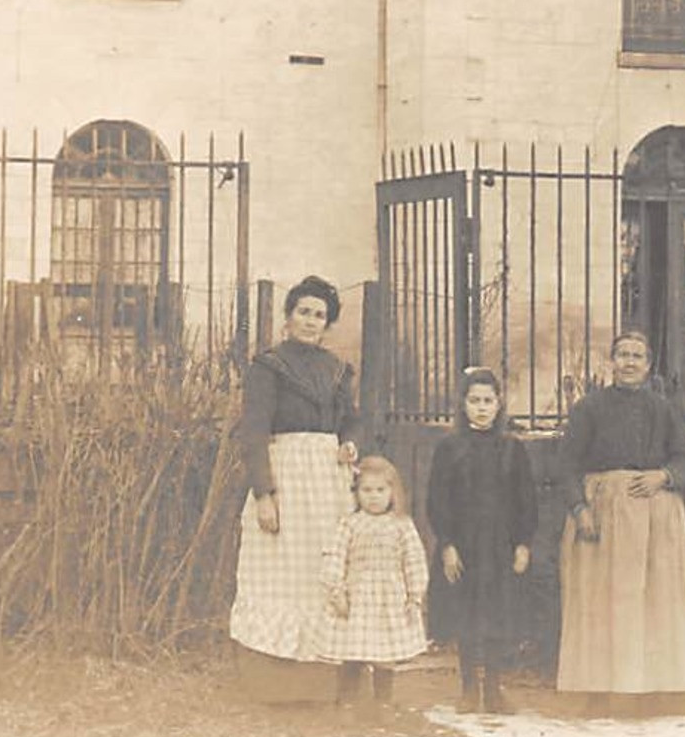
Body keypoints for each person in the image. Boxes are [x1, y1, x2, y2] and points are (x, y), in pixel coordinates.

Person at [557, 331, 685, 709]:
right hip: (602, 517)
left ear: (649, 365)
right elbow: (568, 465)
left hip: (654, 521)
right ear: (612, 361)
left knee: (650, 602)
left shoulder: (663, 410)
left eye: (638, 356)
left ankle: (649, 691)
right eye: (623, 355)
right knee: (598, 603)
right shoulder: (589, 409)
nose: (630, 362)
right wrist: (579, 509)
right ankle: (597, 692)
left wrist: (663, 477)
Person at [229, 275, 360, 686]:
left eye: (319, 315)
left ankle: (323, 676)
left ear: (327, 324)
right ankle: (275, 679)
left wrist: (350, 444)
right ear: (288, 317)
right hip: (285, 476)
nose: (311, 321)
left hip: (326, 483)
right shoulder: (269, 367)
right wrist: (264, 494)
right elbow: (253, 431)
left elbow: (352, 420)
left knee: (324, 567)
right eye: (304, 312)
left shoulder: (337, 370)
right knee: (279, 569)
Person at [425, 367, 537, 713]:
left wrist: (522, 544)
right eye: (474, 400)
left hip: (500, 548)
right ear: (463, 404)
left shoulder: (512, 448)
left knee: (498, 617)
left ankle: (494, 688)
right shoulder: (449, 447)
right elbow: (437, 500)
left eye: (489, 401)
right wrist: (447, 545)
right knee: (466, 616)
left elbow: (526, 500)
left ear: (499, 404)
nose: (482, 408)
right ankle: (468, 688)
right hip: (464, 547)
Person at [319, 455, 429, 712]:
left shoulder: (402, 525)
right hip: (356, 600)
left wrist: (414, 597)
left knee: (385, 655)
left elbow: (414, 560)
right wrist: (337, 592)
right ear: (356, 492)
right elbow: (335, 556)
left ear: (393, 491)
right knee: (352, 652)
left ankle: (383, 703)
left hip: (389, 601)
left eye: (381, 490)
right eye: (366, 490)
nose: (374, 496)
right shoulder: (350, 523)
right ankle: (346, 702)